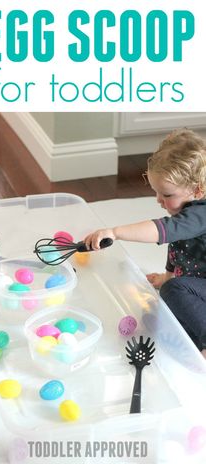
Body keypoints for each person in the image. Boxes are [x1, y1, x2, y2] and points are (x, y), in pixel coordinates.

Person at [84, 128, 206, 358]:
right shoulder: (187, 212)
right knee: (161, 314)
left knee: (174, 291)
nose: (159, 200)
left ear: (197, 190)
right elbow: (178, 245)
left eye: (167, 195)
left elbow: (164, 232)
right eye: (157, 193)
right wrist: (167, 275)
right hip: (197, 285)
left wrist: (116, 232)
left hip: (198, 288)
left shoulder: (201, 215)